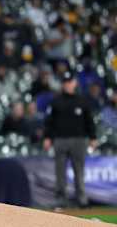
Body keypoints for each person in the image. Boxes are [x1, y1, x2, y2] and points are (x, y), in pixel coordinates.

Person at [43, 71, 97, 208]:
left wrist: (93, 137)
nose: (67, 85)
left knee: (79, 170)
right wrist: (47, 137)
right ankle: (61, 199)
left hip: (79, 140)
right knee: (60, 171)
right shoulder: (56, 101)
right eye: (65, 82)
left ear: (75, 83)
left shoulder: (82, 101)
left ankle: (81, 199)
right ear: (63, 84)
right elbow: (49, 122)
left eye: (69, 82)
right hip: (60, 140)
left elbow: (89, 121)